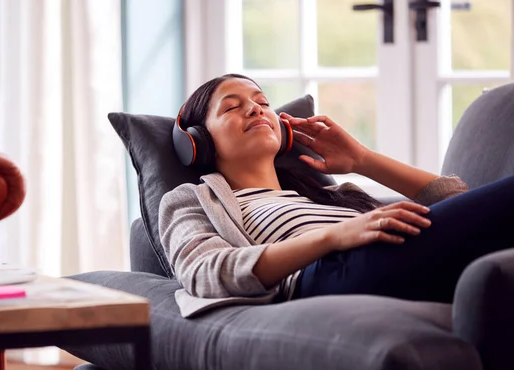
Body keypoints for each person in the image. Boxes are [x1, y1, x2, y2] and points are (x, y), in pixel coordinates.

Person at [159, 73, 513, 318]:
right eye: (232, 107)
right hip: (328, 276)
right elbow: (205, 273)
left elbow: (462, 202)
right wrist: (334, 238)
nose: (255, 109)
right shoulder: (191, 200)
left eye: (262, 101)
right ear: (198, 141)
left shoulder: (333, 195)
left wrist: (363, 159)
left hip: (384, 257)